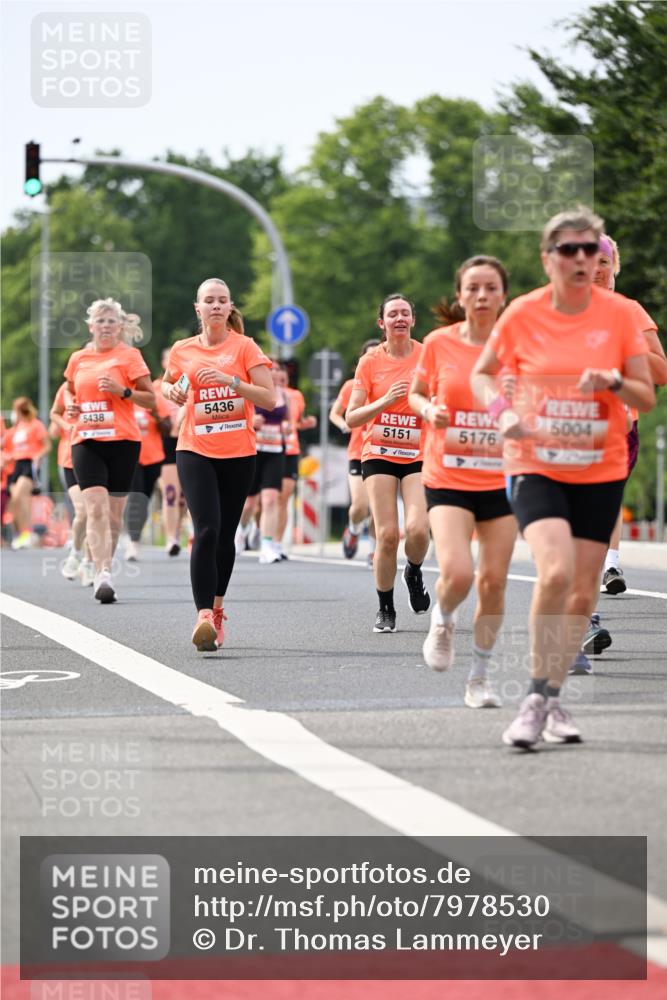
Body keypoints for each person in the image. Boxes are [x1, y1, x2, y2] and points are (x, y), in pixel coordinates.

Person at [471, 206, 655, 748]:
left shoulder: (620, 315)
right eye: (569, 250)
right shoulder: (524, 313)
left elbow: (645, 392)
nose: (582, 260)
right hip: (536, 462)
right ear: (548, 258)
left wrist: (616, 380)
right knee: (553, 573)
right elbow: (484, 376)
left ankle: (552, 698)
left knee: (579, 594)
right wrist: (502, 412)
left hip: (600, 465)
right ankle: (532, 700)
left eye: (591, 250)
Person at [409, 257, 517, 707]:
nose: (481, 296)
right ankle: (444, 616)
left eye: (490, 288)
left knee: (493, 582)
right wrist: (427, 410)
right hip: (448, 474)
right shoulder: (437, 344)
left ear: (503, 296)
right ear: (460, 295)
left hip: (503, 478)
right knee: (457, 573)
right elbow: (416, 392)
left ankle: (479, 678)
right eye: (473, 288)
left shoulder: (518, 345)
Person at [162, 278, 275, 651]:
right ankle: (202, 617)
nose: (215, 306)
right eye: (208, 301)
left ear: (229, 308)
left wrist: (232, 382)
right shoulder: (183, 350)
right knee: (206, 530)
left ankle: (218, 608)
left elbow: (269, 399)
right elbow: (167, 384)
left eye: (221, 301)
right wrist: (173, 391)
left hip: (239, 452)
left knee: (226, 536)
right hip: (194, 448)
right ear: (198, 308)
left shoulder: (244, 347)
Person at [346, 295, 430, 633]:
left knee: (419, 530)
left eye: (405, 313)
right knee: (387, 535)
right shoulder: (369, 362)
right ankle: (385, 608)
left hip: (418, 452)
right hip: (378, 451)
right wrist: (385, 401)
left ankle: (413, 569)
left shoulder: (427, 356)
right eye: (392, 314)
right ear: (381, 323)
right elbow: (352, 416)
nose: (399, 318)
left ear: (412, 320)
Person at [64, 299, 155, 603]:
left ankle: (103, 567)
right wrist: (72, 407)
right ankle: (103, 575)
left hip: (123, 442)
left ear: (120, 326)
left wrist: (123, 392)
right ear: (91, 326)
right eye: (100, 321)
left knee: (114, 519)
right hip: (86, 441)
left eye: (111, 321)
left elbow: (151, 400)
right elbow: (69, 390)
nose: (105, 326)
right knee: (95, 508)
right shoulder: (78, 358)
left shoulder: (130, 356)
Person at [593, 234, 667, 595]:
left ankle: (608, 564)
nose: (595, 269)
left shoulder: (631, 311)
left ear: (614, 267)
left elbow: (661, 372)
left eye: (604, 262)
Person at [330, 339, 380, 564]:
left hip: (381, 450)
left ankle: (374, 550)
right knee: (360, 505)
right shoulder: (352, 386)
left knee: (378, 505)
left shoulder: (389, 383)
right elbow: (335, 413)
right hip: (357, 452)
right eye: (368, 356)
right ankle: (353, 528)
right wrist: (343, 424)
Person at [236, 359, 290, 565]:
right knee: (250, 502)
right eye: (270, 369)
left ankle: (267, 545)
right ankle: (240, 528)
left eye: (277, 369)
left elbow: (289, 421)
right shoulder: (253, 391)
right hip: (254, 450)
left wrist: (286, 426)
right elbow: (239, 415)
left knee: (270, 499)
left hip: (276, 450)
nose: (275, 373)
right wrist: (251, 422)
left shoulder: (284, 395)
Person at [49, 382, 95, 586]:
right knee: (83, 511)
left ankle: (89, 561)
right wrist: (66, 425)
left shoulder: (104, 386)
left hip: (97, 457)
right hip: (69, 460)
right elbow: (53, 417)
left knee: (96, 513)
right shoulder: (66, 390)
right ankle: (75, 553)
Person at [124, 385, 172, 561]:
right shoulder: (123, 396)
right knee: (136, 498)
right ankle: (133, 541)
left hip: (153, 457)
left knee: (145, 499)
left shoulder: (153, 398)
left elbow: (168, 428)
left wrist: (156, 416)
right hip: (130, 457)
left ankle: (135, 537)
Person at [276, 369, 317, 559]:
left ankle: (275, 542)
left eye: (281, 371)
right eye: (274, 370)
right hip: (266, 449)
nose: (279, 374)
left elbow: (296, 421)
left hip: (290, 448)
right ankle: (248, 529)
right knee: (260, 501)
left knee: (283, 498)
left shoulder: (296, 396)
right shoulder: (261, 392)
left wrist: (306, 423)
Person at [5, 397, 50, 549]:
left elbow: (47, 446)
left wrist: (38, 455)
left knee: (20, 496)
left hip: (29, 463)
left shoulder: (36, 425)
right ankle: (23, 533)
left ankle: (27, 532)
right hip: (16, 464)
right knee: (16, 501)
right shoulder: (17, 428)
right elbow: (10, 447)